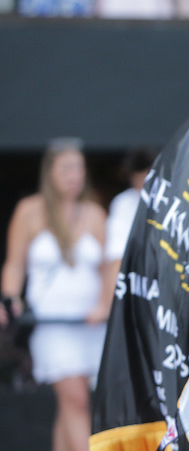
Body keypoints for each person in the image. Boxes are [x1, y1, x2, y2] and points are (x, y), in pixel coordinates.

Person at [0, 138, 108, 451]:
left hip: (89, 323)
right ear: (50, 171)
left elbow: (107, 268)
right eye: (67, 168)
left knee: (72, 403)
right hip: (51, 324)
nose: (74, 175)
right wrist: (10, 299)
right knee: (75, 400)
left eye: (79, 168)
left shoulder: (95, 212)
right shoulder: (29, 210)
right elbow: (14, 264)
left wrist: (103, 304)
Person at [102, 148, 156, 305]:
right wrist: (111, 303)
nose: (143, 185)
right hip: (132, 285)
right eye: (138, 179)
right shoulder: (123, 203)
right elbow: (115, 255)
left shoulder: (174, 200)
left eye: (147, 177)